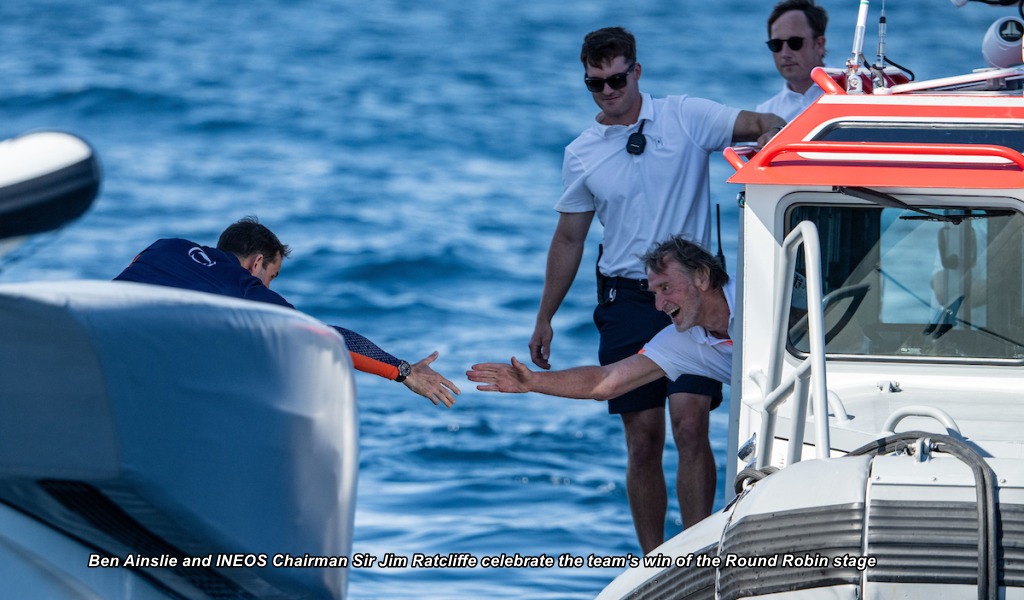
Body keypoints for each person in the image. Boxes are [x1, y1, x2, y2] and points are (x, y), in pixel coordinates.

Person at [527, 26, 779, 555]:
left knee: (690, 426)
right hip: (626, 297)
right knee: (643, 440)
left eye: (618, 79)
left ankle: (700, 552)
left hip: (693, 292)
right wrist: (544, 317)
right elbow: (570, 237)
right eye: (596, 84)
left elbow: (758, 124)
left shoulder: (685, 116)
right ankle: (653, 562)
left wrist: (775, 146)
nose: (609, 91)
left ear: (636, 71)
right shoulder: (581, 153)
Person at [474, 236, 734, 552]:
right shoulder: (682, 341)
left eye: (666, 288)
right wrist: (533, 382)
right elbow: (606, 381)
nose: (658, 305)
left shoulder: (759, 296)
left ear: (702, 276)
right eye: (654, 293)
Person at [114, 216, 460, 408]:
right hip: (133, 370)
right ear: (257, 263)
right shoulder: (241, 286)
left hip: (89, 333)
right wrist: (403, 371)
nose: (268, 288)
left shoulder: (165, 246)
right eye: (271, 277)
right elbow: (324, 336)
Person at [758, 0, 829, 122]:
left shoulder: (853, 95)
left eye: (795, 43)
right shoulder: (765, 113)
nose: (785, 54)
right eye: (776, 44)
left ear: (819, 45)